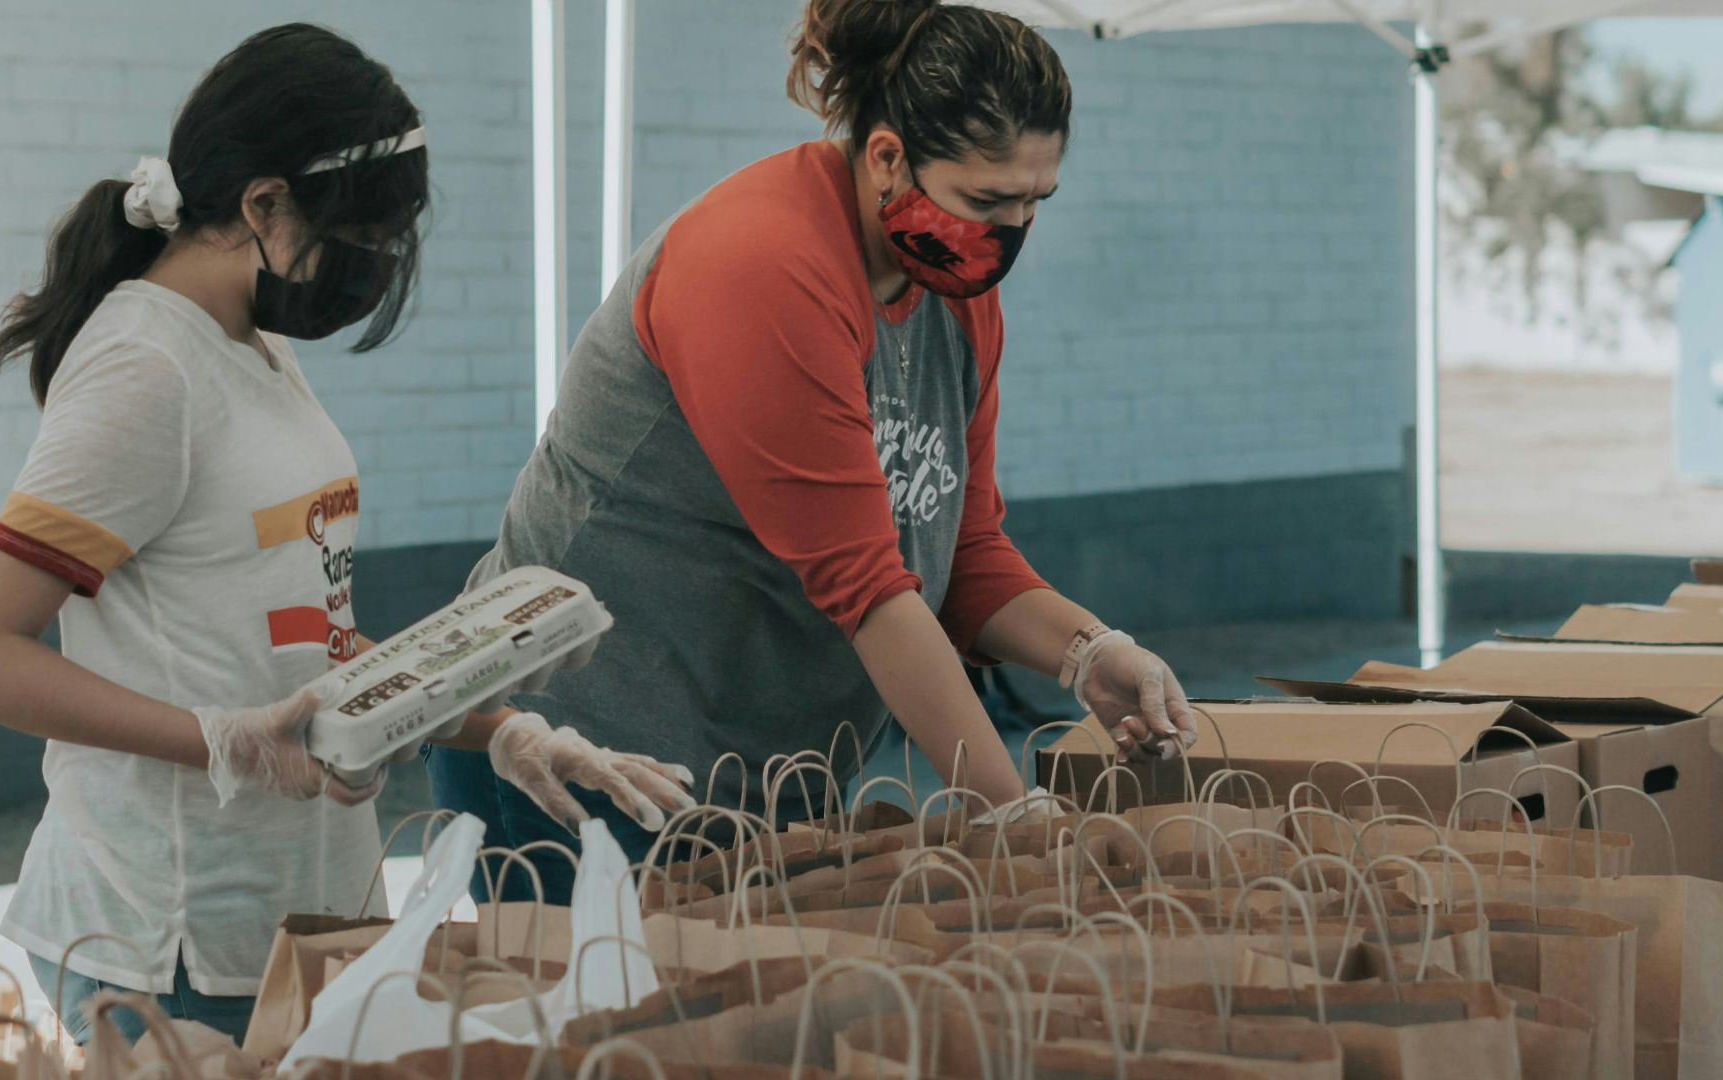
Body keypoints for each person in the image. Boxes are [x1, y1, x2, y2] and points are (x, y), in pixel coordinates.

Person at [0, 24, 690, 1047]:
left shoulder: (253, 343)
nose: (374, 267)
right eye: (363, 236)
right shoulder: (145, 368)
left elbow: (302, 647)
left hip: (300, 909)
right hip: (175, 940)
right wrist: (221, 739)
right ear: (264, 205)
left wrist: (493, 720)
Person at [429, 0, 1198, 905]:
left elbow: (964, 554)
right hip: (579, 756)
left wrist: (1090, 653)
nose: (1011, 233)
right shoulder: (762, 265)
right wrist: (1016, 820)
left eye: (1035, 202)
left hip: (749, 784)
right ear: (887, 157)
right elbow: (869, 590)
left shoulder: (955, 292)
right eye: (987, 201)